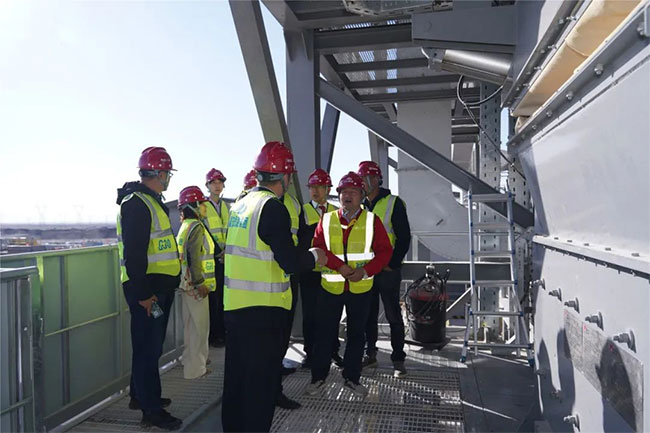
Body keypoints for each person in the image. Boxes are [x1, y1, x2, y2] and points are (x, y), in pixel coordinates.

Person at [221, 141, 327, 433]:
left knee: (237, 381)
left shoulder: (240, 205)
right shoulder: (272, 207)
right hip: (263, 313)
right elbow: (289, 261)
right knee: (261, 386)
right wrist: (314, 257)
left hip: (235, 308)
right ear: (285, 177)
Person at [306, 172, 392, 397]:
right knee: (324, 334)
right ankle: (318, 377)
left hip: (360, 288)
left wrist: (365, 271)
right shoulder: (327, 220)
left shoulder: (372, 221)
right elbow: (317, 248)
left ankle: (352, 378)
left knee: (356, 335)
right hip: (331, 288)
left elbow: (385, 252)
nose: (348, 196)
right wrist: (340, 267)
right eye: (344, 192)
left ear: (362, 196)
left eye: (353, 192)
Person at [116, 146, 182, 430]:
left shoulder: (150, 201)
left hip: (155, 288)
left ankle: (139, 395)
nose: (168, 178)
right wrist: (144, 295)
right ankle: (151, 410)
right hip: (148, 292)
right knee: (149, 349)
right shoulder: (137, 204)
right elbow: (134, 254)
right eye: (167, 173)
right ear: (158, 173)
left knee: (147, 347)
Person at [358, 160, 412, 377]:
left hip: (387, 270)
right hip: (367, 269)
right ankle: (370, 354)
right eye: (361, 179)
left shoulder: (393, 203)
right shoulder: (361, 206)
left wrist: (393, 263)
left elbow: (404, 237)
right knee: (367, 314)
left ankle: (398, 359)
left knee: (393, 315)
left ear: (376, 179)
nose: (363, 183)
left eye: (366, 179)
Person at [298, 169, 343, 369]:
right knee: (310, 315)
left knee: (332, 313)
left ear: (328, 189)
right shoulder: (302, 211)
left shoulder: (337, 211)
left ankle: (333, 350)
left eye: (319, 187)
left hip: (332, 271)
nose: (315, 191)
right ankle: (310, 353)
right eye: (312, 187)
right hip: (309, 272)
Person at [176, 186, 215, 379]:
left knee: (190, 326)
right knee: (200, 328)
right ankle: (196, 369)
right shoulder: (197, 227)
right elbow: (195, 257)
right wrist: (200, 282)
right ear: (194, 206)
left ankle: (189, 361)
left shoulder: (185, 226)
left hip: (186, 284)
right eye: (203, 204)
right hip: (195, 285)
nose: (205, 208)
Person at [204, 168, 229, 347]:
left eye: (220, 182)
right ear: (207, 186)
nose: (217, 186)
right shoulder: (203, 206)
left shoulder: (225, 206)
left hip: (225, 258)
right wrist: (217, 252)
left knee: (222, 298)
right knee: (213, 299)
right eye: (213, 183)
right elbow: (203, 231)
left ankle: (222, 332)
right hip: (212, 259)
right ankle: (214, 335)